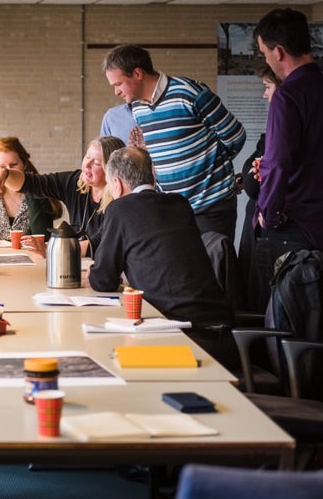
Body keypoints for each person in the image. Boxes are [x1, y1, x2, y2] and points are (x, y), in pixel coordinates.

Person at [88, 147, 236, 369]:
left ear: (117, 184)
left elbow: (102, 280)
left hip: (178, 337)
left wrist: (101, 272)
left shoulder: (120, 209)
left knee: (106, 357)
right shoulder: (179, 204)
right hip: (223, 336)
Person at [253, 8, 323, 305]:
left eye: (264, 53)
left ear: (278, 52)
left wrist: (269, 215)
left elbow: (276, 164)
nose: (265, 59)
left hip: (291, 229)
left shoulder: (287, 96)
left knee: (279, 324)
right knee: (316, 319)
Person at [103, 44, 246, 240]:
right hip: (173, 210)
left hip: (211, 207)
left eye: (118, 84)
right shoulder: (137, 108)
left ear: (137, 73)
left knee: (215, 268)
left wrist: (214, 170)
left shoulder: (189, 92)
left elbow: (235, 135)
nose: (116, 92)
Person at [0, 136, 125, 257]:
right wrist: (5, 173)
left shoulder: (120, 199)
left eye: (96, 163)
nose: (87, 165)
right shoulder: (75, 182)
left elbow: (99, 242)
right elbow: (34, 184)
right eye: (87, 157)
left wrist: (49, 249)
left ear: (111, 168)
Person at [237, 65, 278, 313]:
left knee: (263, 300)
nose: (265, 95)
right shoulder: (273, 130)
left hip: (269, 224)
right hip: (258, 220)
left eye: (267, 87)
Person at [0, 137, 61, 242]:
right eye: (2, 167)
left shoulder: (39, 191)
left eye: (13, 165)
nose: (7, 171)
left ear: (24, 164)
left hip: (29, 257)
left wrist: (30, 189)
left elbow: (44, 238)